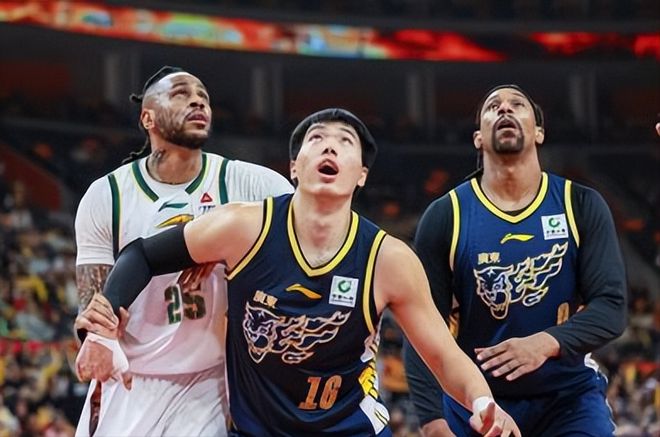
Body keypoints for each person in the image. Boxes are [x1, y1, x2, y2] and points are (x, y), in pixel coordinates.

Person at [78, 108, 521, 436]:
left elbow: (443, 355)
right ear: (293, 167)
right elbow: (142, 254)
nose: (330, 146)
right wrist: (104, 322)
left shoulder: (388, 259)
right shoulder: (243, 228)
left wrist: (483, 401)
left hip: (351, 428)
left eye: (345, 142)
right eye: (317, 138)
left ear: (361, 175)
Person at [73, 66, 293, 437]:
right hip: (131, 380)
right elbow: (92, 309)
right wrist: (92, 334)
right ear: (148, 118)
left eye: (203, 96)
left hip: (213, 382)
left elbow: (304, 250)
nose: (197, 102)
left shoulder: (255, 185)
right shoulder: (106, 195)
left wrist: (227, 248)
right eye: (180, 94)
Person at [403, 85, 627, 436]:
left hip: (567, 396)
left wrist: (545, 343)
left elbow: (611, 307)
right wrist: (432, 421)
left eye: (517, 105)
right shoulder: (447, 214)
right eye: (493, 106)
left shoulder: (580, 204)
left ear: (539, 132)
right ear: (478, 138)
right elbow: (422, 326)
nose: (505, 110)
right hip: (476, 401)